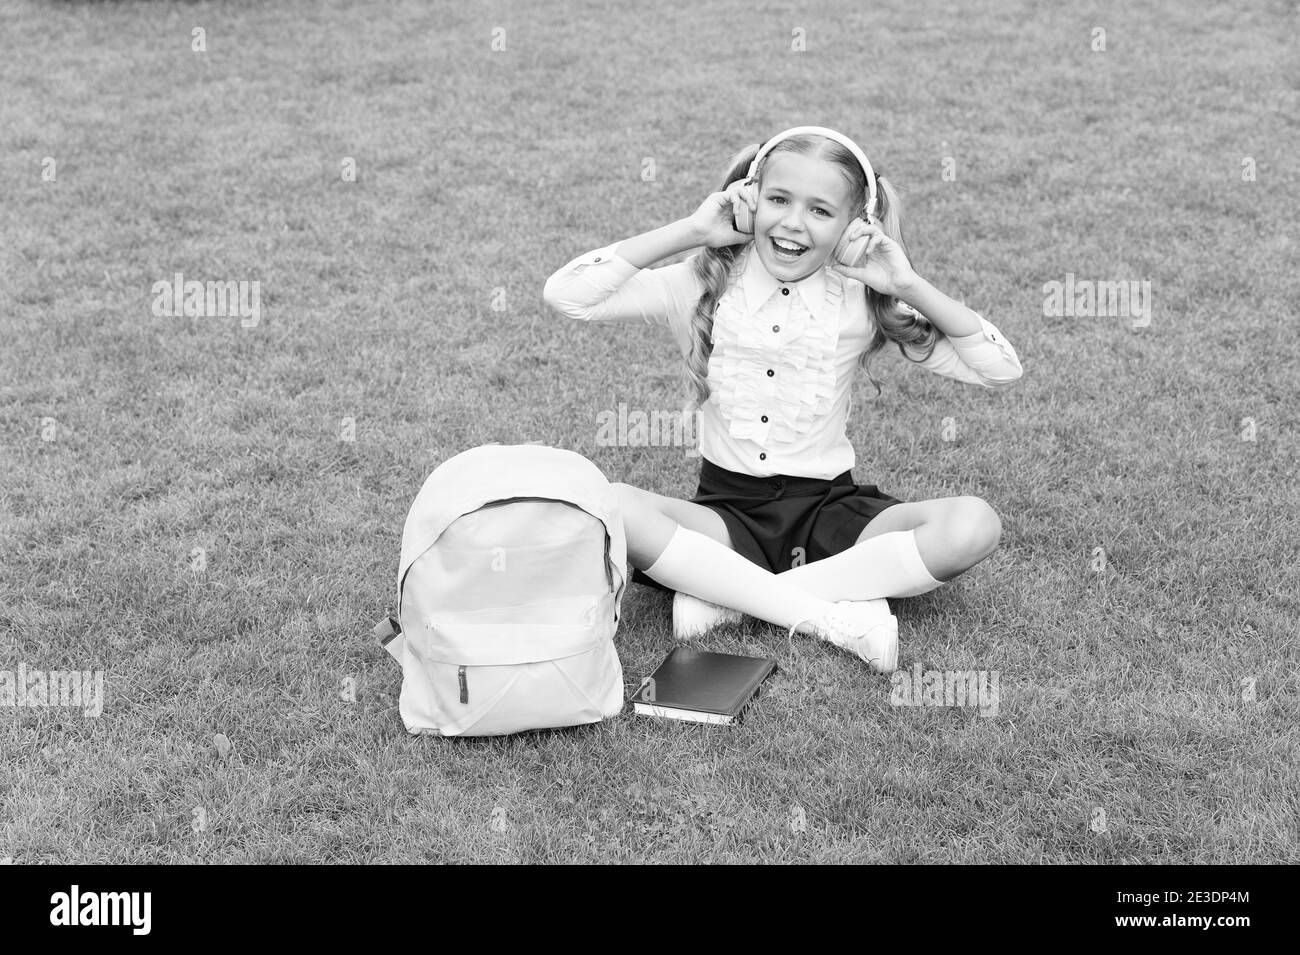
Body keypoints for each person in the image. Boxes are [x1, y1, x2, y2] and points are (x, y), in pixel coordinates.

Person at [542, 125, 1023, 674]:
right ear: (748, 201)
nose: (793, 223)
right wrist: (693, 230)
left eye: (821, 211)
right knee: (614, 504)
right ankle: (825, 616)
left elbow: (1000, 368)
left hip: (832, 517)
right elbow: (567, 296)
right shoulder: (701, 282)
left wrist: (907, 284)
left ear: (852, 228)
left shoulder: (863, 302)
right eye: (777, 200)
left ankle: (731, 596)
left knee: (973, 524)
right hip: (726, 519)